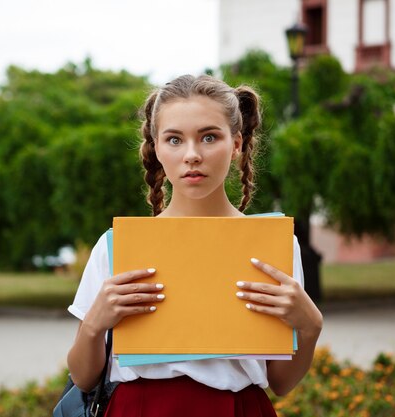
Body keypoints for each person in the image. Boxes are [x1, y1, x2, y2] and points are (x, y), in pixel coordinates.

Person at [66, 74, 323, 417]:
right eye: (174, 139)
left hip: (239, 409)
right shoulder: (116, 246)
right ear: (156, 148)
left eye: (209, 137)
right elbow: (84, 378)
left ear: (236, 145)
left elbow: (281, 382)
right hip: (138, 410)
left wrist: (310, 327)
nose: (191, 155)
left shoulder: (274, 245)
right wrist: (95, 324)